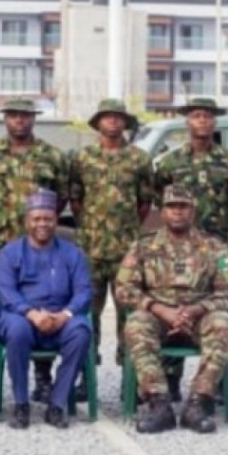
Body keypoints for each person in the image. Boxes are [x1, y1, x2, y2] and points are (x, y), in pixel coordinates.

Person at [0, 97, 70, 403]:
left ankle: (42, 376)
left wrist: (41, 230)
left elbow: (60, 199)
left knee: (46, 303)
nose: (20, 121)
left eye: (25, 116)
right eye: (13, 116)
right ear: (5, 119)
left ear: (34, 119)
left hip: (41, 248)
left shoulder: (52, 156)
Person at [115, 184, 228, 434]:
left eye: (183, 207)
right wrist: (160, 309)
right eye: (172, 207)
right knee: (136, 324)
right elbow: (124, 288)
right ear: (162, 212)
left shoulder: (214, 246)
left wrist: (196, 309)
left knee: (224, 324)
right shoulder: (143, 246)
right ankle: (159, 404)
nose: (178, 212)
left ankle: (197, 403)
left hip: (199, 315)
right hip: (158, 314)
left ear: (193, 211)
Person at [0, 189, 92, 430]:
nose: (42, 224)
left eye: (48, 219)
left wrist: (65, 314)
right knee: (16, 330)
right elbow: (4, 290)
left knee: (81, 330)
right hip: (23, 317)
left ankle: (57, 405)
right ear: (27, 221)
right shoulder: (10, 252)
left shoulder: (72, 253)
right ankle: (21, 404)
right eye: (36, 219)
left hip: (61, 319)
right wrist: (32, 314)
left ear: (56, 221)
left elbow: (84, 290)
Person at [68, 99, 153, 378]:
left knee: (128, 313)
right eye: (108, 117)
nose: (113, 122)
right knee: (86, 312)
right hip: (90, 250)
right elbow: (76, 200)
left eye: (119, 117)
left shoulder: (139, 159)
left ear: (125, 122)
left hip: (126, 250)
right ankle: (86, 376)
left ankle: (130, 376)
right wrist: (92, 227)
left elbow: (144, 203)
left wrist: (125, 229)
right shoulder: (83, 158)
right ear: (98, 122)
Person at [153, 97, 228, 244]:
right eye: (196, 116)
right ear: (187, 122)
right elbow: (160, 199)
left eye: (208, 116)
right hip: (181, 239)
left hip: (219, 239)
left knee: (222, 268)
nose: (202, 121)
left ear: (215, 123)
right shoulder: (170, 162)